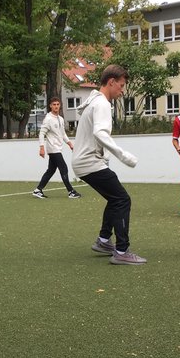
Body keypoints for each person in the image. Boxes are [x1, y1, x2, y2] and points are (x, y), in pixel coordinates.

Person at [71, 65, 145, 265]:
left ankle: (104, 241)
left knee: (115, 199)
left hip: (84, 162)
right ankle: (121, 251)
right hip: (88, 163)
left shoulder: (95, 101)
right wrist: (124, 155)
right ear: (111, 81)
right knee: (122, 200)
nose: (122, 91)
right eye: (121, 86)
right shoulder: (102, 103)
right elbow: (100, 133)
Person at [32, 96, 81, 199]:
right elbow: (41, 134)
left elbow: (62, 134)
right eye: (54, 105)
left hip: (58, 148)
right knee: (63, 168)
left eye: (58, 104)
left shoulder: (61, 119)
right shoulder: (48, 119)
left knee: (51, 170)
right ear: (50, 106)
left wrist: (70, 143)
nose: (56, 106)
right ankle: (71, 191)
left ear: (60, 106)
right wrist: (41, 147)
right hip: (53, 149)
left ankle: (38, 190)